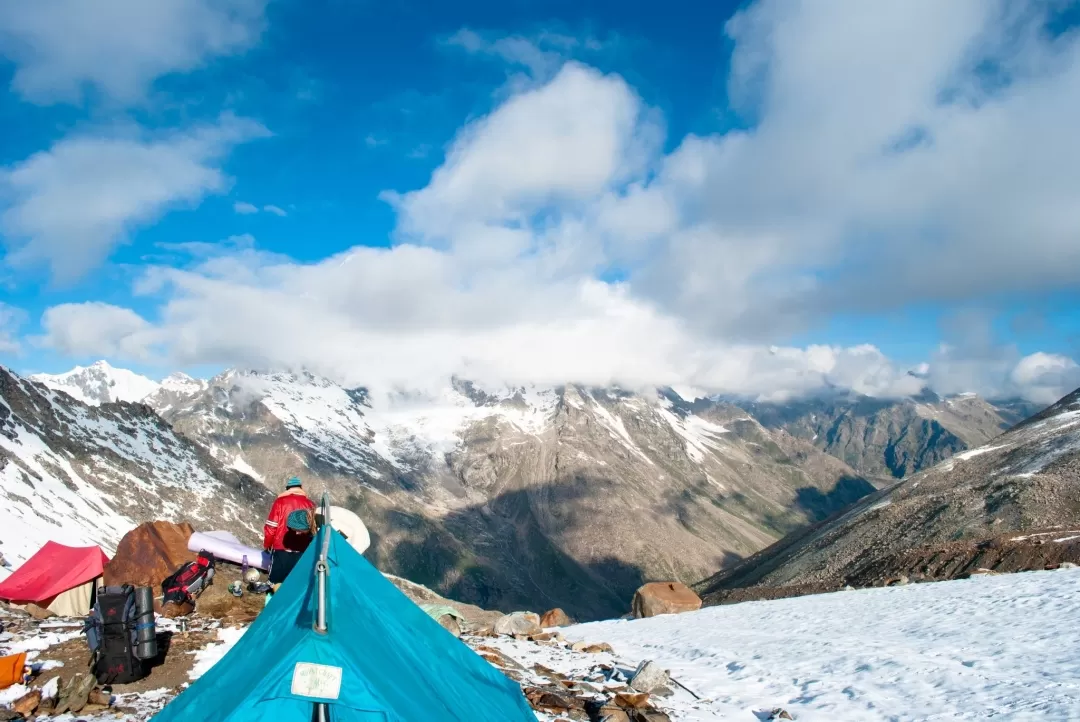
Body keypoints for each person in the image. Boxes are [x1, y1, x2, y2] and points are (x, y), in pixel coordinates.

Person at [263, 476, 316, 587]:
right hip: (302, 549)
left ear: (287, 488)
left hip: (281, 546)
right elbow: (313, 530)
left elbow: (271, 526)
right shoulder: (311, 505)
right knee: (295, 583)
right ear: (301, 488)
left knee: (275, 582)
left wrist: (267, 544)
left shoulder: (280, 502)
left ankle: (274, 601)